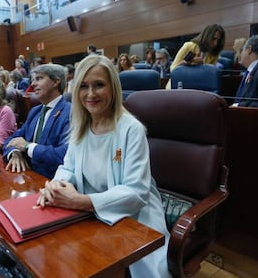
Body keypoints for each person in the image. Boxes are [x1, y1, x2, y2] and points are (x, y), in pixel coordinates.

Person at [35, 54, 170, 278]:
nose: (90, 94)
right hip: (89, 212)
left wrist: (83, 201)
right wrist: (56, 187)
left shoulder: (131, 129)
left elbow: (136, 192)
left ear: (113, 89)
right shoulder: (81, 126)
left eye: (99, 85)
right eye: (84, 86)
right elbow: (68, 167)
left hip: (135, 215)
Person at [3, 64, 71, 179]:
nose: (33, 84)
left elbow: (65, 155)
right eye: (32, 80)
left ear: (55, 82)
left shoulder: (70, 112)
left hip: (53, 181)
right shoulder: (35, 111)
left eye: (39, 78)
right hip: (28, 176)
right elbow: (12, 139)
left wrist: (27, 146)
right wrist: (15, 153)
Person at [168, 24, 225, 88]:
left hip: (198, 87)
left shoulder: (214, 54)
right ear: (207, 36)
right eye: (213, 39)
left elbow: (209, 76)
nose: (215, 43)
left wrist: (202, 66)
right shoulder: (189, 46)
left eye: (218, 40)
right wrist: (184, 65)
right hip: (178, 85)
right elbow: (172, 69)